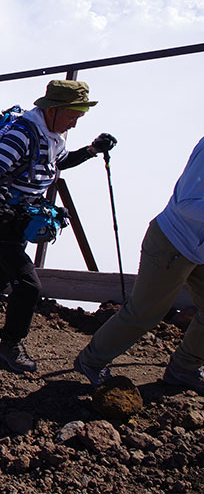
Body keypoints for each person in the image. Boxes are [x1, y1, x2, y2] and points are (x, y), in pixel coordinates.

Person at [0, 80, 117, 373]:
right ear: (52, 110)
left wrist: (93, 149)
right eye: (71, 116)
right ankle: (11, 346)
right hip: (1, 219)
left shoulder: (52, 136)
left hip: (19, 219)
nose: (73, 124)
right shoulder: (21, 135)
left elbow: (59, 164)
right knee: (29, 286)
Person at [74, 136, 204, 393]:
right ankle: (91, 361)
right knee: (145, 312)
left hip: (199, 248)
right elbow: (186, 204)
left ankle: (184, 368)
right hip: (174, 241)